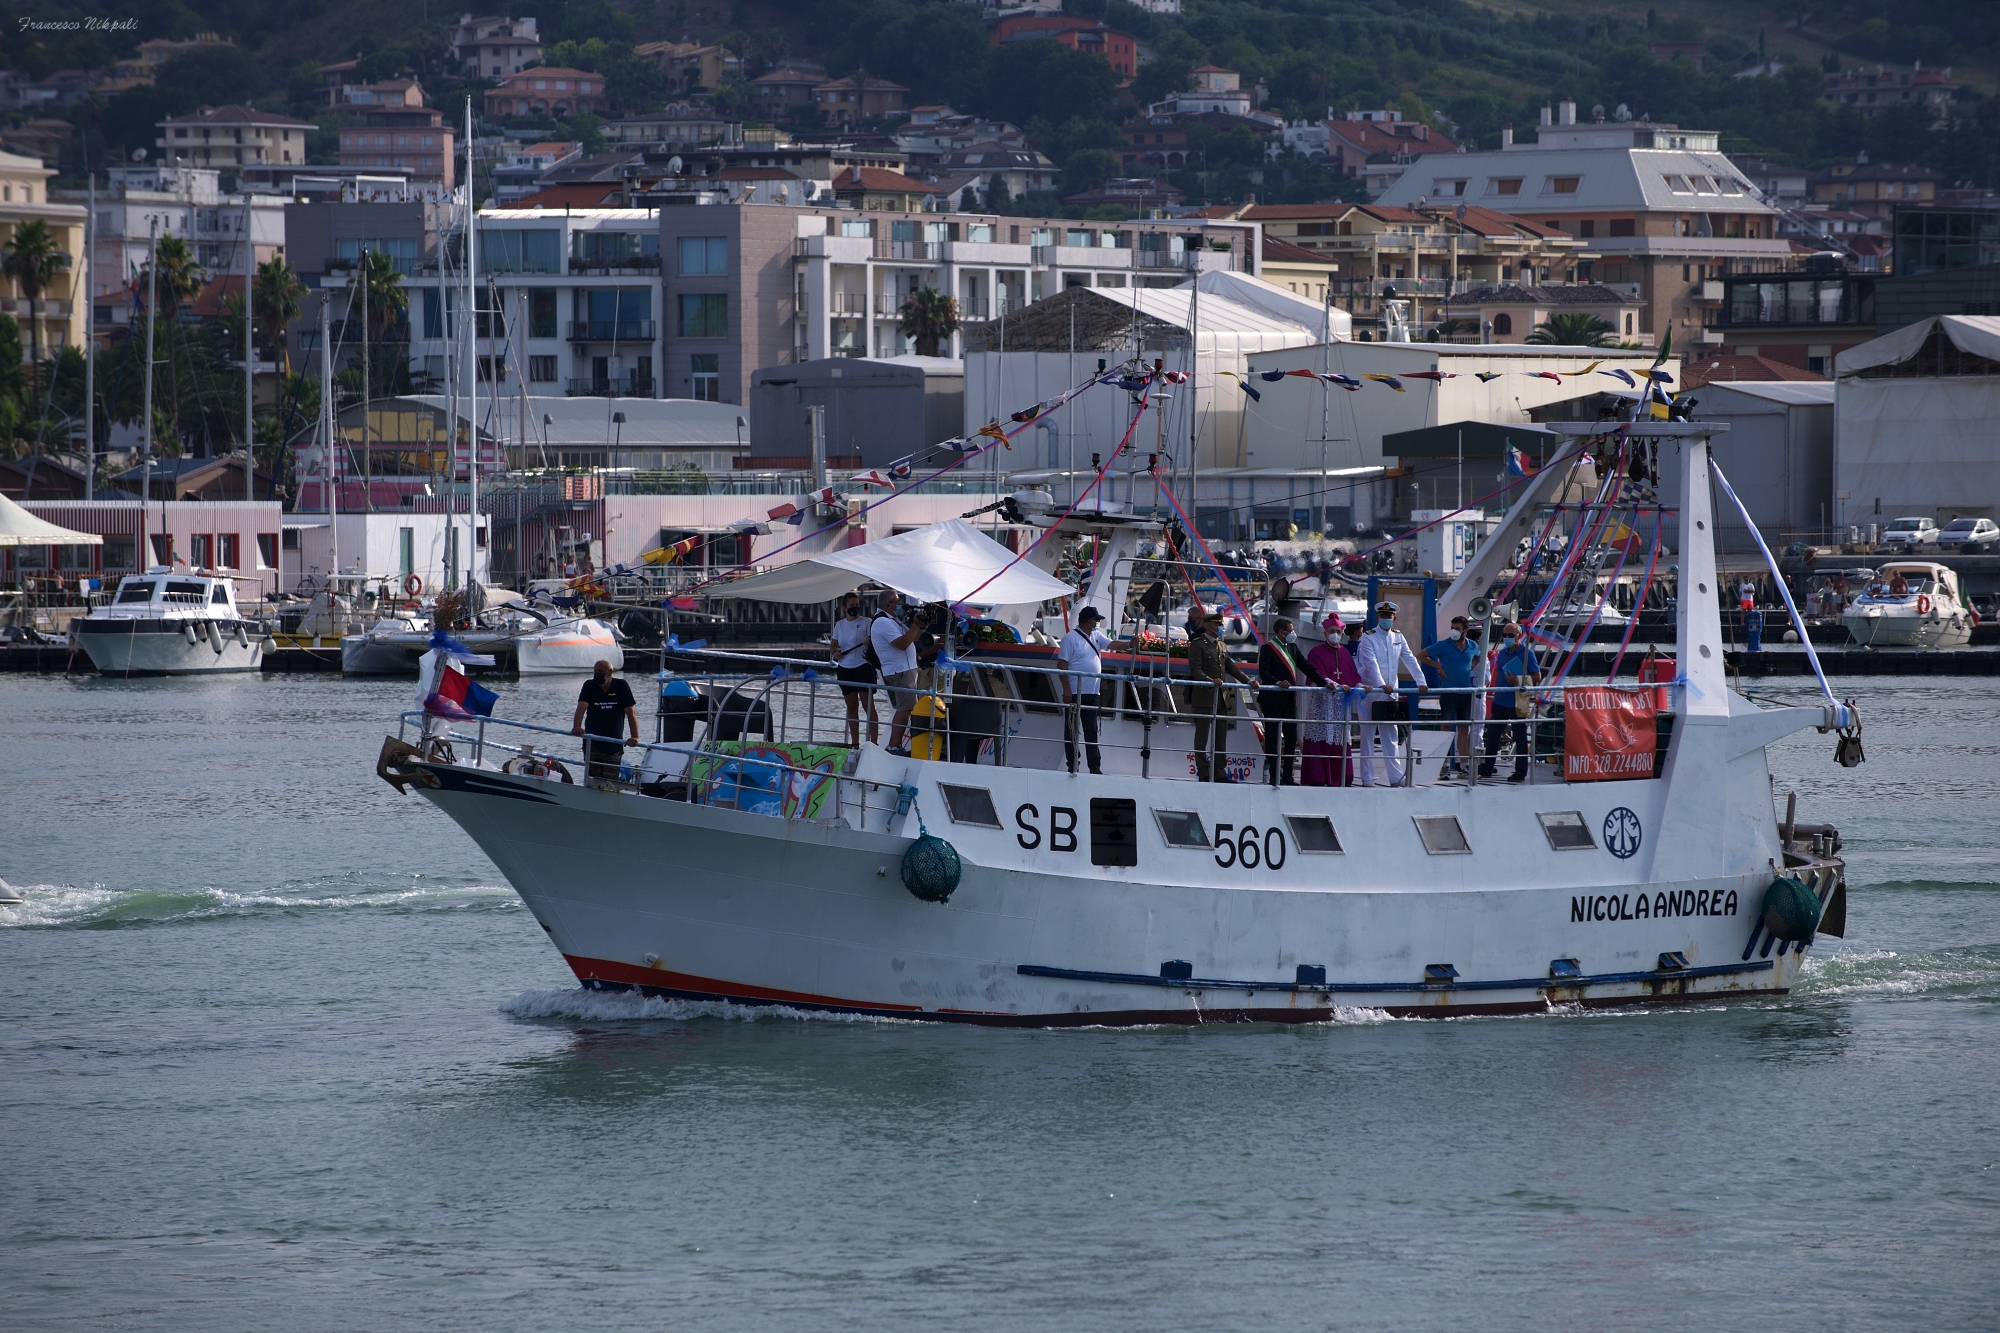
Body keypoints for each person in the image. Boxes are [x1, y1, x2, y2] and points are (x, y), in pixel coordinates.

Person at [1354, 600, 1425, 786]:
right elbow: (1370, 663)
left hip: (1390, 694)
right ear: (1378, 617)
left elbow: (1409, 658)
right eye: (1383, 616)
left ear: (1394, 618)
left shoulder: (1398, 637)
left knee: (1391, 737)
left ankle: (1396, 778)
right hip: (1370, 693)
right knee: (1367, 736)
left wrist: (1421, 681)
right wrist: (1381, 684)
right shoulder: (1368, 637)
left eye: (1389, 616)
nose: (1386, 618)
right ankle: (1367, 778)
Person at [1257, 616, 1327, 785]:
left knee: (1291, 738)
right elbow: (1263, 671)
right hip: (1272, 700)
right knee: (1273, 738)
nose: (1293, 633)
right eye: (1291, 631)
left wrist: (1324, 683)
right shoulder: (1268, 648)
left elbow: (1307, 667)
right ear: (1281, 632)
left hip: (1289, 700)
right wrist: (1277, 682)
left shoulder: (1293, 648)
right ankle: (1274, 776)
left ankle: (1287, 776)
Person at [1185, 609, 1252, 782]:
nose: (1222, 627)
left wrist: (1248, 681)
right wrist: (1210, 681)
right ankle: (1204, 771)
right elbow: (1196, 670)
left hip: (1221, 698)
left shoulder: (1222, 645)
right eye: (1219, 624)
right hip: (1204, 697)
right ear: (1210, 626)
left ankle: (1219, 771)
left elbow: (1231, 667)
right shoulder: (1197, 644)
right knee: (1202, 736)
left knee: (1221, 736)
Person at [1301, 615, 1363, 787]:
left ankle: (1341, 777)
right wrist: (1336, 685)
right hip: (1322, 704)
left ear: (1342, 634)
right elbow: (1318, 675)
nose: (1335, 634)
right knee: (1320, 737)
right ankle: (1318, 777)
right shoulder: (1316, 652)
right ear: (1325, 633)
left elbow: (1353, 675)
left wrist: (1361, 686)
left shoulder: (1345, 652)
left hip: (1340, 705)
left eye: (1338, 632)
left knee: (1340, 738)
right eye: (1332, 631)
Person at [1418, 615, 1481, 780]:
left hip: (1466, 692)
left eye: (1457, 628)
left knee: (1464, 730)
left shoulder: (1473, 645)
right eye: (1452, 628)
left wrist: (1472, 667)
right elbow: (1421, 655)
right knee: (1445, 728)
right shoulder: (1443, 645)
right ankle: (1443, 766)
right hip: (1448, 691)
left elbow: (1478, 656)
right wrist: (1438, 667)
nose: (1453, 631)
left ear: (1465, 630)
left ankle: (1464, 766)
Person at [871, 587, 928, 755]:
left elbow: (913, 637)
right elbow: (902, 644)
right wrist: (915, 625)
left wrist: (920, 626)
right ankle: (893, 746)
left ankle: (896, 745)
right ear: (888, 605)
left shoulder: (892, 620)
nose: (900, 605)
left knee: (906, 708)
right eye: (897, 602)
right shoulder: (883, 622)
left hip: (905, 670)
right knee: (905, 709)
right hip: (899, 671)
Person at [1482, 620, 1540, 783]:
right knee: (1493, 734)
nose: (1507, 637)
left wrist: (1517, 680)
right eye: (1504, 635)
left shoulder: (1527, 653)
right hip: (1500, 700)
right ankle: (1488, 766)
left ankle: (1520, 771)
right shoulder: (1502, 652)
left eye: (1510, 635)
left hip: (1517, 701)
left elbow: (1537, 677)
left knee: (1519, 736)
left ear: (1519, 636)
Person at [1057, 605, 1110, 775]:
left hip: (1092, 693)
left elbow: (1111, 643)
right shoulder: (1070, 638)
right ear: (1089, 621)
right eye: (1096, 620)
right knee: (1071, 730)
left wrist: (1130, 643)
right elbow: (1061, 665)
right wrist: (1066, 689)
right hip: (1074, 693)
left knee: (1091, 730)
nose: (1098, 623)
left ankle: (1094, 766)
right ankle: (1073, 764)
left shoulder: (1096, 635)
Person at [571, 658, 638, 784]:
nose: (597, 674)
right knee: (592, 781)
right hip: (592, 743)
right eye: (595, 671)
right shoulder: (589, 685)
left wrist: (635, 736)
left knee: (609, 783)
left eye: (601, 671)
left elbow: (631, 712)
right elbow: (581, 707)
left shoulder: (621, 686)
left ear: (610, 672)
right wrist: (577, 726)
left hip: (613, 744)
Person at [831, 591, 878, 747]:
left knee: (868, 706)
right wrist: (835, 652)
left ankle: (873, 744)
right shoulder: (839, 625)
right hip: (845, 669)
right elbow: (833, 645)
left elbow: (875, 639)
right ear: (844, 608)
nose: (855, 608)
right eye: (852, 605)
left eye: (857, 605)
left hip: (863, 667)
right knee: (851, 706)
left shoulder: (867, 622)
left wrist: (869, 641)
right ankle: (855, 743)